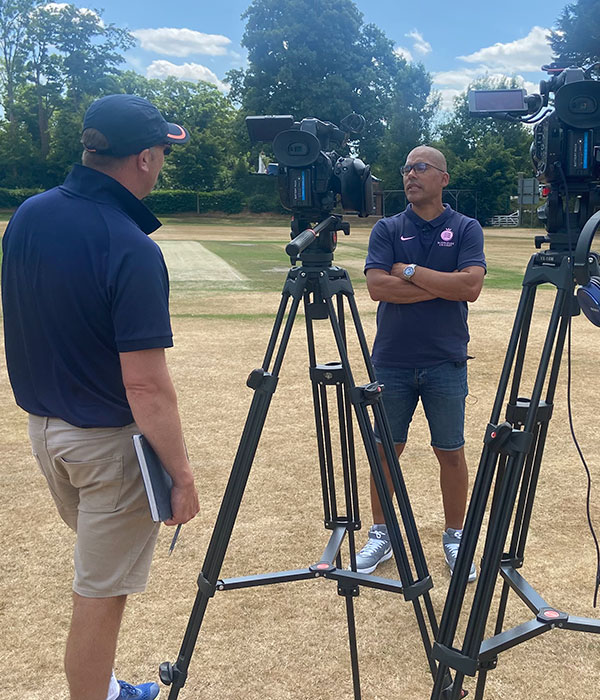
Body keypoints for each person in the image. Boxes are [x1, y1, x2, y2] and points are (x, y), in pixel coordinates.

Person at [2, 94, 200, 700]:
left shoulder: (30, 214)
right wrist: (181, 473)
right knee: (100, 591)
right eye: (163, 152)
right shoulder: (132, 246)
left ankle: (106, 688)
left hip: (47, 433)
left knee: (96, 576)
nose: (163, 163)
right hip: (108, 448)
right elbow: (144, 383)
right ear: (142, 158)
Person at [357, 145, 485, 580]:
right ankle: (381, 532)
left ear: (443, 178)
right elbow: (378, 287)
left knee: (449, 451)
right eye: (406, 168)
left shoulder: (465, 227)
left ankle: (455, 535)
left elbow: (470, 287)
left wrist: (409, 272)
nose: (410, 174)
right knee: (385, 450)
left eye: (420, 167)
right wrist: (443, 285)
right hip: (392, 360)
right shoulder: (388, 227)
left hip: (445, 360)